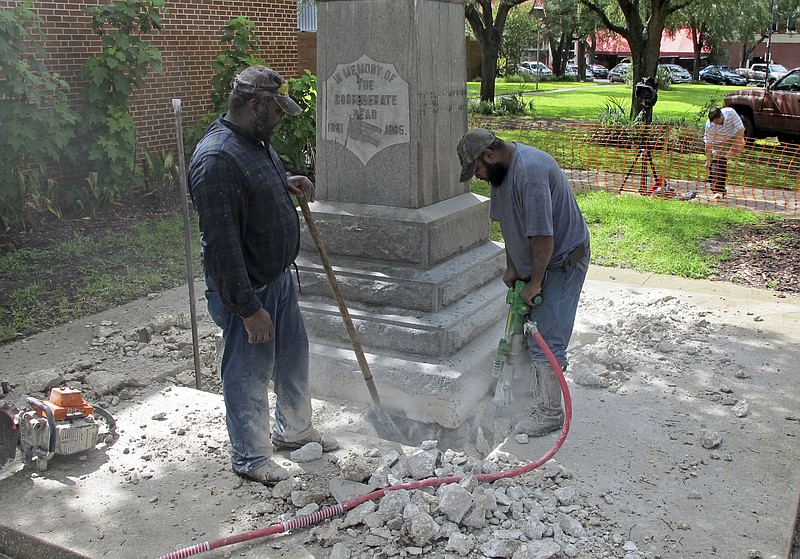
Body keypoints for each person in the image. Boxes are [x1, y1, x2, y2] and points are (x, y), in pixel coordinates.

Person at [189, 66, 338, 485]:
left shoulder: (254, 141)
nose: (280, 119)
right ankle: (251, 456)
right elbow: (221, 247)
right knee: (248, 372)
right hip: (247, 290)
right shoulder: (217, 160)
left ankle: (294, 430)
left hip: (278, 278)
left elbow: (252, 187)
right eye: (275, 111)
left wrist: (283, 181)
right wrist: (249, 309)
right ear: (254, 106)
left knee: (293, 356)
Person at [457, 128, 590, 437]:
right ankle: (532, 394)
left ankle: (549, 413)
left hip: (561, 262)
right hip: (537, 261)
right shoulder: (500, 176)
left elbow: (544, 237)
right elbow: (507, 223)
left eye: (476, 170)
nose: (477, 177)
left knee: (546, 339)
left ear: (489, 155)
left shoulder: (529, 174)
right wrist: (512, 266)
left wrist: (536, 283)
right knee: (529, 333)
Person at [704, 107, 745, 200]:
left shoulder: (730, 113)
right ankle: (719, 190)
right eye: (714, 122)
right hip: (718, 142)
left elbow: (741, 129)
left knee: (740, 144)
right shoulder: (709, 125)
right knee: (717, 165)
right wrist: (708, 160)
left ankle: (724, 159)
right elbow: (708, 144)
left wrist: (736, 143)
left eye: (718, 121)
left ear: (721, 115)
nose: (716, 123)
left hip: (734, 136)